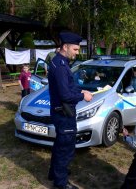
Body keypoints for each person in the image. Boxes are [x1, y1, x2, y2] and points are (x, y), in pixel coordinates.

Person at [47, 32, 93, 189]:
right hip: (64, 113)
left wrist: (82, 91)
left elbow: (69, 87)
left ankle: (55, 173)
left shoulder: (60, 61)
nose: (77, 52)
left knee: (60, 145)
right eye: (75, 49)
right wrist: (82, 96)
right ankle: (61, 183)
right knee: (66, 149)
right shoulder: (60, 66)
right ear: (65, 47)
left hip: (61, 111)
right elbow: (65, 95)